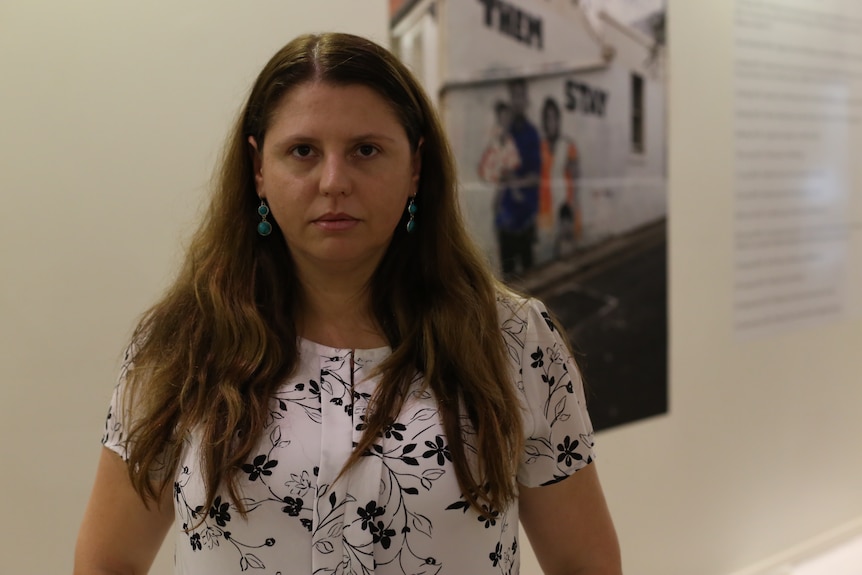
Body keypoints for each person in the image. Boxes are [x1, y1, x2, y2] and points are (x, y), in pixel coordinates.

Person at [74, 33, 621, 575]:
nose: (334, 182)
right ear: (259, 168)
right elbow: (109, 561)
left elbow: (584, 562)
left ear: (414, 167)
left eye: (366, 150)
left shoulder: (514, 340)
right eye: (303, 151)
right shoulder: (182, 341)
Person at [494, 78, 541, 281]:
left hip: (525, 218)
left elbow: (535, 178)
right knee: (508, 277)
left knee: (529, 277)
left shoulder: (531, 134)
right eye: (514, 96)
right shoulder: (504, 133)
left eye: (521, 95)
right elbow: (498, 171)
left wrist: (514, 181)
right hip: (505, 218)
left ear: (526, 99)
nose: (518, 100)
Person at [537, 97, 581, 261]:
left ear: (558, 120)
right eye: (547, 118)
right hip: (545, 211)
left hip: (565, 211)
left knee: (565, 252)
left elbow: (576, 181)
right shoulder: (539, 147)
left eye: (554, 117)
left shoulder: (568, 146)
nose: (551, 122)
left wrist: (573, 210)